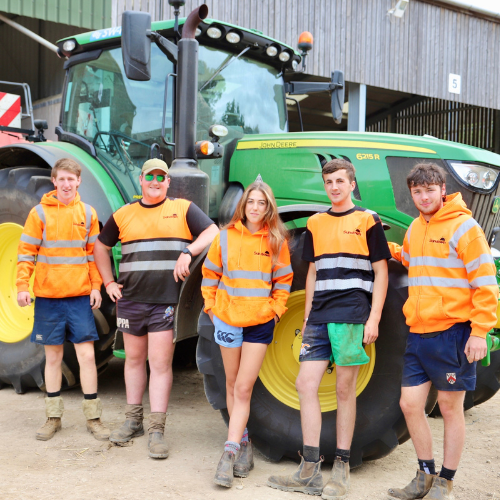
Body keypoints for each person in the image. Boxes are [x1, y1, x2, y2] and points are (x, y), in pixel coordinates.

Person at [267, 159, 390, 499]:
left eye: (340, 181)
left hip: (352, 315)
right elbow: (311, 272)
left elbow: (381, 271)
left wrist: (375, 317)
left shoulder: (368, 221)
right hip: (318, 317)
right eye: (328, 182)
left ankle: (342, 465)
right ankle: (309, 468)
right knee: (305, 384)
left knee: (344, 391)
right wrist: (306, 314)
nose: (334, 187)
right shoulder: (316, 223)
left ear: (352, 184)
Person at [386, 163, 498, 500]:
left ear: (442, 189)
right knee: (409, 405)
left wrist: (479, 331)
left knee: (450, 409)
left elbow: (486, 283)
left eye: (429, 190)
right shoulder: (416, 228)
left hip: (453, 333)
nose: (423, 197)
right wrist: (379, 242)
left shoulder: (465, 227)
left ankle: (445, 483)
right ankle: (424, 475)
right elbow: (409, 259)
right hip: (419, 333)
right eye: (417, 192)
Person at [93, 158, 219, 459]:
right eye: (150, 176)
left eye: (161, 177)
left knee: (160, 364)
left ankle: (157, 429)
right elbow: (100, 246)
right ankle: (133, 420)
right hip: (131, 300)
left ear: (168, 182)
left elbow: (213, 231)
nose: (156, 181)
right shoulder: (124, 214)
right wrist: (108, 283)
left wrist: (189, 251)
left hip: (165, 302)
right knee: (133, 360)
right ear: (141, 179)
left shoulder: (184, 209)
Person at [201, 179, 293, 488]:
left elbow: (283, 281)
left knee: (243, 387)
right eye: (251, 202)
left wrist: (277, 310)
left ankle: (228, 454)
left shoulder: (276, 240)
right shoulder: (225, 237)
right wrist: (212, 310)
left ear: (269, 208)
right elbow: (210, 275)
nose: (255, 207)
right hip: (227, 319)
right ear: (244, 206)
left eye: (261, 203)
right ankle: (243, 445)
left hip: (259, 321)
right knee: (231, 383)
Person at [17, 158, 109, 442]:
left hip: (79, 297)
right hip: (48, 298)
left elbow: (94, 255)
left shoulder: (89, 213)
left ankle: (94, 418)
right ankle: (53, 417)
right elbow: (25, 252)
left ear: (79, 181)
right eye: (62, 179)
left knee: (87, 356)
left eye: (72, 179)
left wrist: (96, 286)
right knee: (53, 357)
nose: (67, 184)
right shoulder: (39, 213)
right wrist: (22, 285)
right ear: (54, 182)